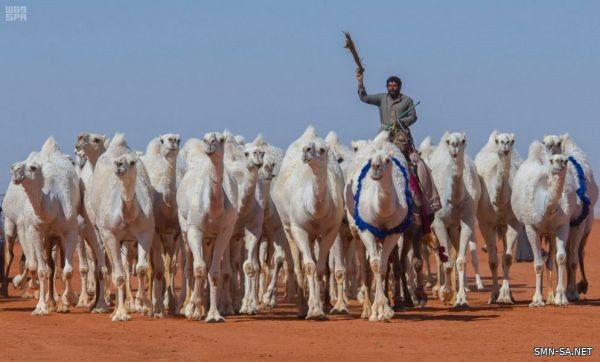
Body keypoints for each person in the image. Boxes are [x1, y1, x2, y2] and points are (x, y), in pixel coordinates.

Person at [356, 73, 441, 221]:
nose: (392, 88)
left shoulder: (407, 101)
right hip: (383, 136)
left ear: (399, 87)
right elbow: (364, 97)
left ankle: (428, 202)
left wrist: (400, 122)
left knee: (419, 166)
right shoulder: (382, 98)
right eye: (389, 85)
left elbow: (413, 117)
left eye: (394, 86)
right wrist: (360, 82)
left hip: (402, 137)